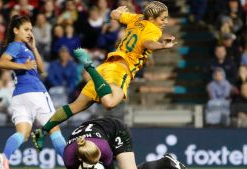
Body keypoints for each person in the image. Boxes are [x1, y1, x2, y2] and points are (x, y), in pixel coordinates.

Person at [32, 1, 177, 150]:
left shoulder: (137, 18)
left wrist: (117, 11)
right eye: (162, 18)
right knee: (110, 103)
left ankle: (42, 131)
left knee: (74, 107)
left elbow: (114, 15)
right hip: (119, 71)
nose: (165, 22)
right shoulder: (154, 29)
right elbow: (148, 43)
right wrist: (162, 45)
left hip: (106, 67)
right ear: (152, 18)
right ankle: (89, 66)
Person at [0, 15, 66, 169]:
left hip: (19, 96)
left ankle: (5, 158)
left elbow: (41, 69)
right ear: (15, 30)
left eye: (31, 30)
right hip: (35, 93)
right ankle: (72, 164)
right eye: (26, 29)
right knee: (55, 130)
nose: (29, 33)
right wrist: (24, 67)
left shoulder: (25, 48)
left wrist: (34, 47)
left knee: (23, 134)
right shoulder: (17, 46)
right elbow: (1, 62)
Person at [64, 117, 186, 169]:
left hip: (116, 130)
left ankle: (165, 162)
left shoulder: (103, 150)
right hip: (98, 131)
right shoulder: (69, 158)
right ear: (79, 158)